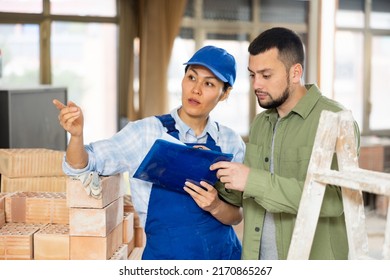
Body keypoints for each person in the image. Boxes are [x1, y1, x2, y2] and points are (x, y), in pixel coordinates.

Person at [53, 45, 245, 260]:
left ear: (225, 94)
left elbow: (237, 215)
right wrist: (77, 136)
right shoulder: (145, 133)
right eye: (192, 77)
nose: (196, 89)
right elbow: (82, 165)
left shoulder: (230, 142)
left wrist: (216, 205)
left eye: (209, 83)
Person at [210, 27, 360, 260]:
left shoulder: (336, 119)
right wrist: (215, 173)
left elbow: (336, 201)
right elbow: (249, 194)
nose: (256, 85)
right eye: (252, 75)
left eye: (266, 75)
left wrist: (252, 180)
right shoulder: (261, 123)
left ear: (295, 73)